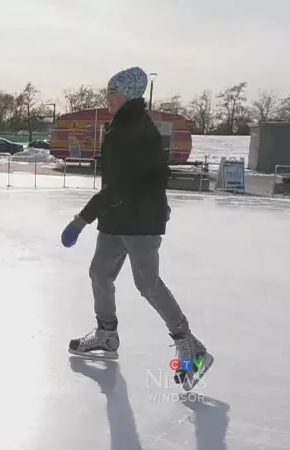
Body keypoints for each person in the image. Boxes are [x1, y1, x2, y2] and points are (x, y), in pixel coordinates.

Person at [60, 66, 212, 389]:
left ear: (127, 95)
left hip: (141, 221)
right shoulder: (121, 126)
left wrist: (81, 219)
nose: (108, 98)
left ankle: (189, 345)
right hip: (117, 220)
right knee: (100, 273)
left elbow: (120, 186)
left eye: (112, 92)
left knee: (148, 285)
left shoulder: (138, 130)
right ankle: (107, 334)